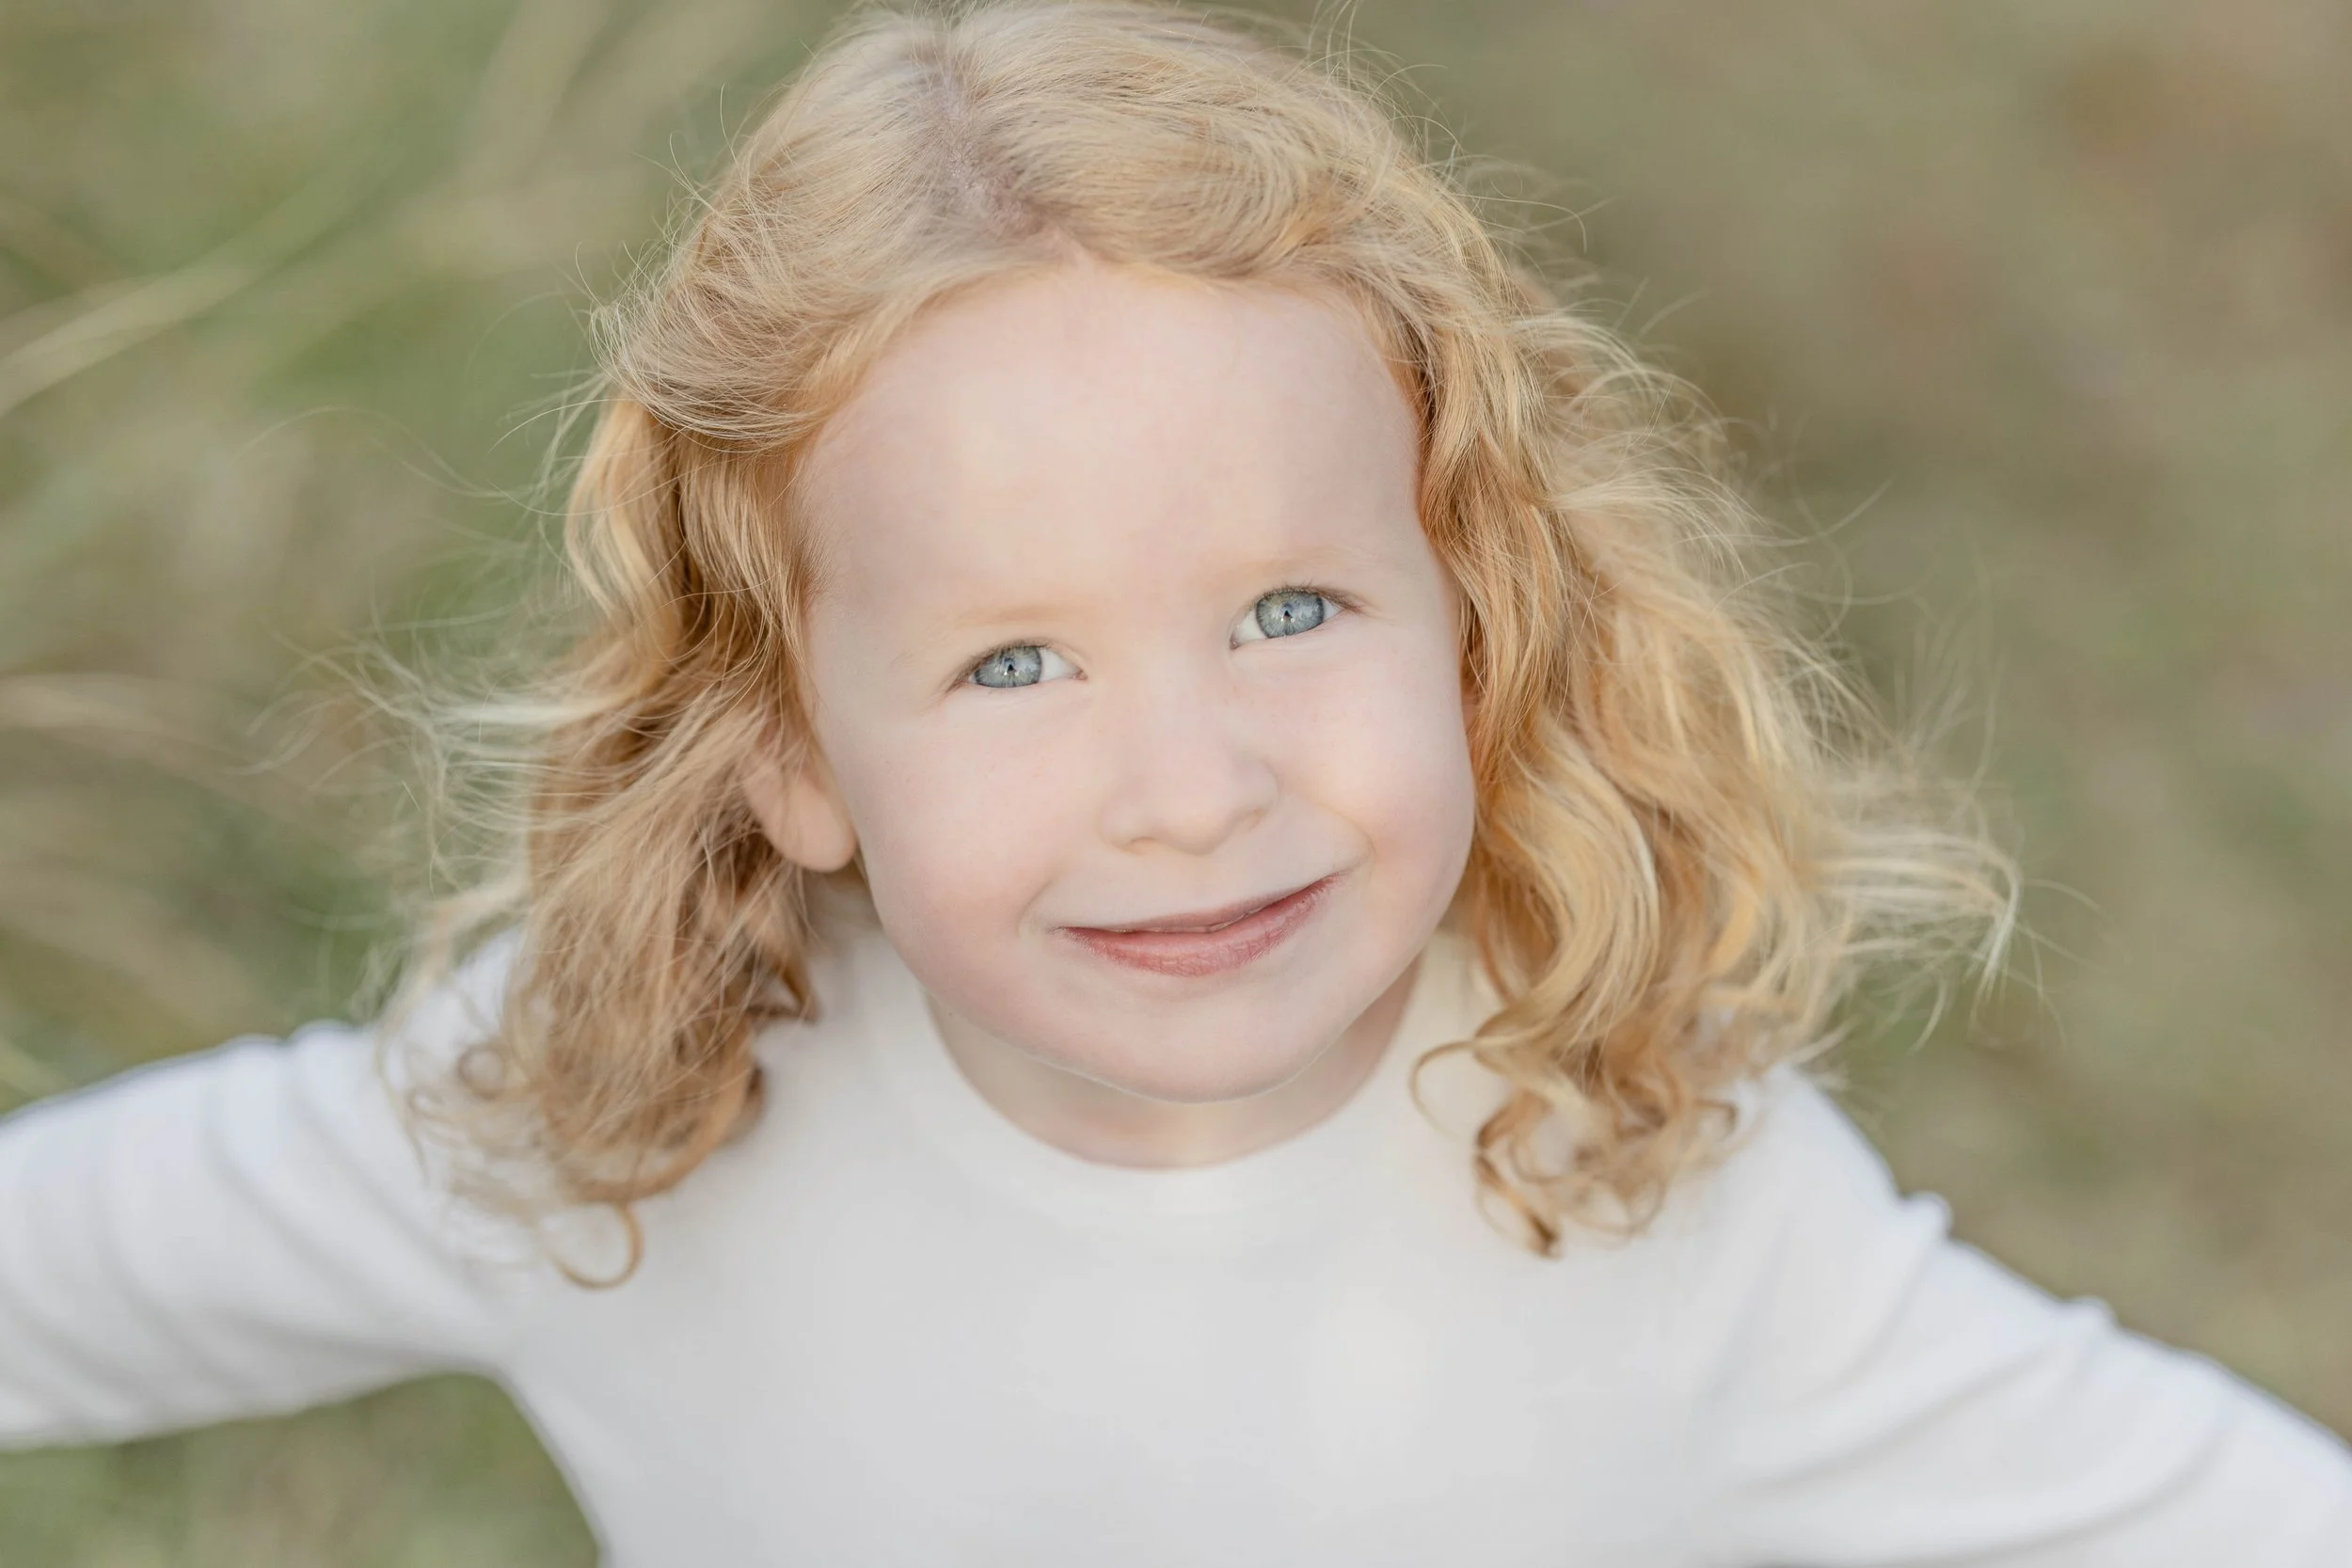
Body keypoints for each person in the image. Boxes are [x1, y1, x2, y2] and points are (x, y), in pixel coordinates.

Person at [3, 2, 2347, 1562]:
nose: (1190, 785)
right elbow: (75, 1277)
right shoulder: (609, 1120)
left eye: (1290, 612)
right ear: (788, 753)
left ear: (1474, 617)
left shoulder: (1649, 1195)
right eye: (1013, 658)